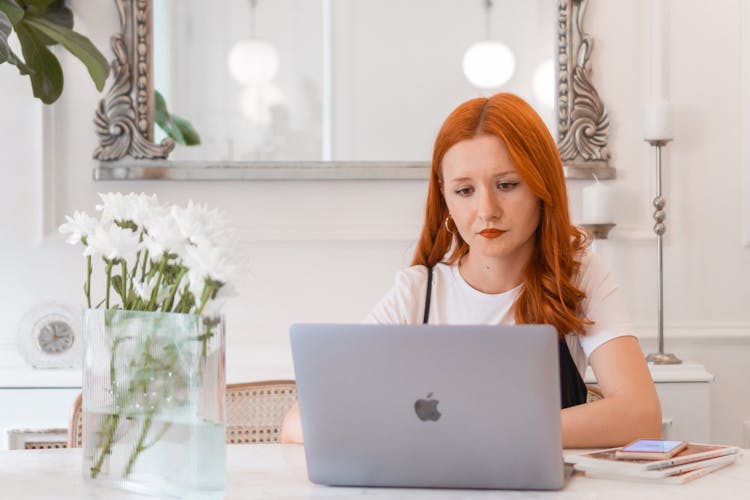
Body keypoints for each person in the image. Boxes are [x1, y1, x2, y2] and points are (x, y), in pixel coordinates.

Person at [281, 93, 661, 447]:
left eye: (507, 184)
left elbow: (640, 415)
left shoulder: (578, 276)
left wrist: (487, 434)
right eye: (465, 191)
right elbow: (297, 424)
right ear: (445, 199)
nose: (486, 210)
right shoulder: (418, 292)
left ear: (542, 189)